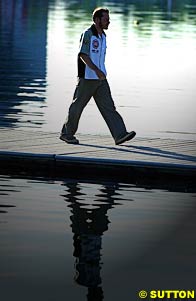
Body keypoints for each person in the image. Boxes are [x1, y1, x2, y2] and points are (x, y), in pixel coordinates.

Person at [60, 7, 136, 145]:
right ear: (97, 20)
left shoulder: (103, 36)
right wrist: (95, 70)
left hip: (101, 79)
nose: (109, 22)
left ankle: (120, 135)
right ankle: (66, 134)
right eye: (106, 19)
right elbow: (83, 55)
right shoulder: (88, 34)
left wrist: (101, 73)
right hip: (87, 79)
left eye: (109, 19)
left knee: (109, 108)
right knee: (77, 107)